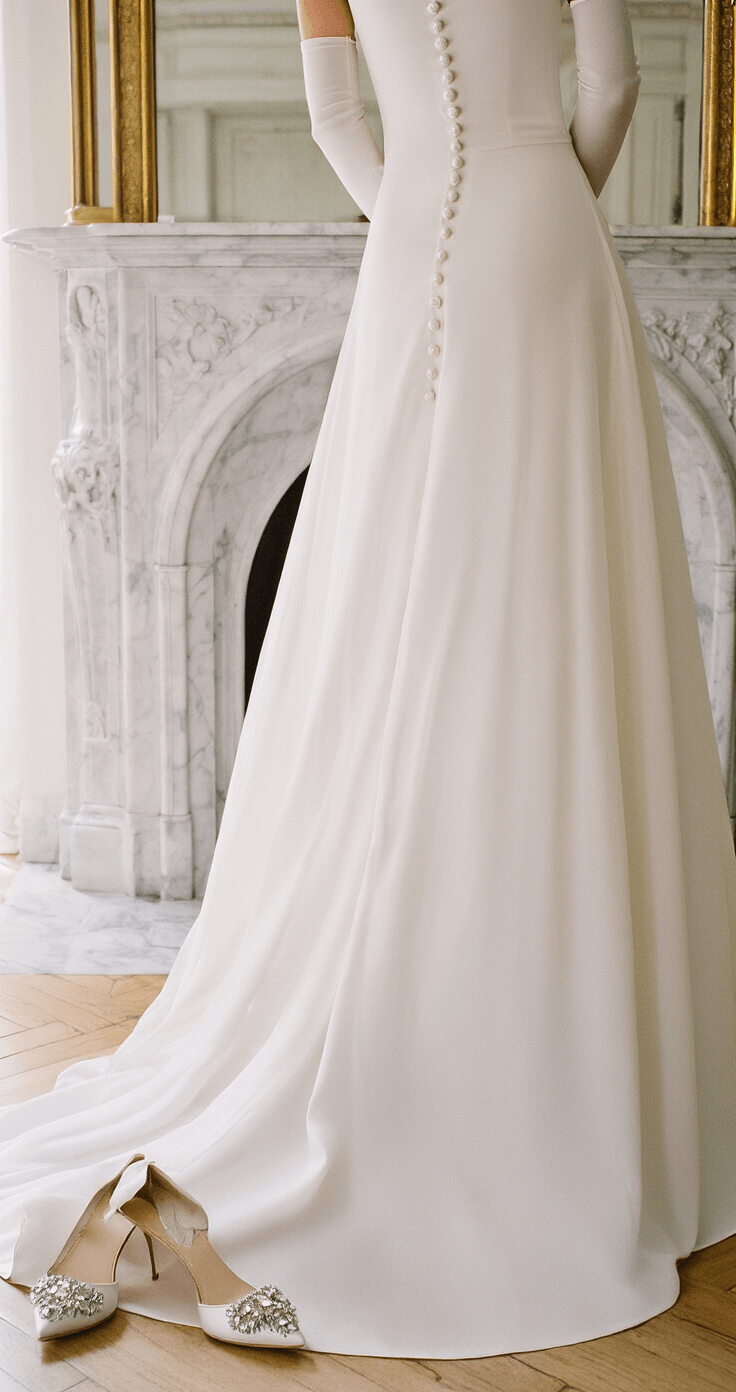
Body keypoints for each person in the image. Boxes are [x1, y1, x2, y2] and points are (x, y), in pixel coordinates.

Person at [1, 0, 735, 1359]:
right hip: (545, 242)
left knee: (396, 613)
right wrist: (537, 199)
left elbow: (342, 121)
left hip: (411, 246)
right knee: (557, 608)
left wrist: (419, 206)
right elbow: (615, 92)